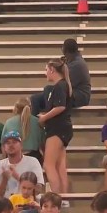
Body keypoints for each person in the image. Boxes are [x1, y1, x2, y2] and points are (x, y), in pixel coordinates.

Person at [29, 39, 91, 115]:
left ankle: (41, 120)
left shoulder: (76, 64)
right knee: (39, 96)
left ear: (64, 49)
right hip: (74, 94)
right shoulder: (73, 60)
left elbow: (63, 84)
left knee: (40, 96)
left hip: (79, 96)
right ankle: (38, 119)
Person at [38, 58, 72, 198]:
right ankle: (64, 196)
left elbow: (60, 106)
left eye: (46, 70)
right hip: (63, 128)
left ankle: (56, 197)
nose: (45, 73)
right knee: (60, 166)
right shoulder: (63, 85)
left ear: (52, 69)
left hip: (57, 128)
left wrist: (44, 118)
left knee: (48, 165)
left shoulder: (60, 86)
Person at [0, 130, 45, 199]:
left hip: (29, 203)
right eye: (7, 143)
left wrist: (18, 177)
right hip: (8, 203)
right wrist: (4, 180)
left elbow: (38, 190)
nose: (11, 145)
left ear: (21, 145)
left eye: (14, 142)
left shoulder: (33, 161)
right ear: (4, 147)